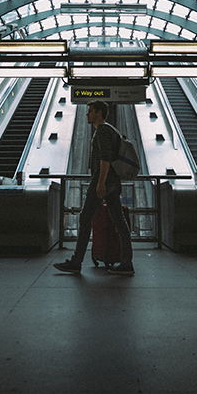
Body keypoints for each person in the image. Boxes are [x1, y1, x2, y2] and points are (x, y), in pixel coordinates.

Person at [54, 100, 134, 275]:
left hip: (103, 181)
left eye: (90, 111)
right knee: (119, 222)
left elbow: (105, 159)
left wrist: (100, 183)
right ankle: (127, 263)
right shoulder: (110, 130)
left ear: (98, 113)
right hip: (112, 183)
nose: (87, 114)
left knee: (85, 218)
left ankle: (76, 261)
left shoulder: (103, 131)